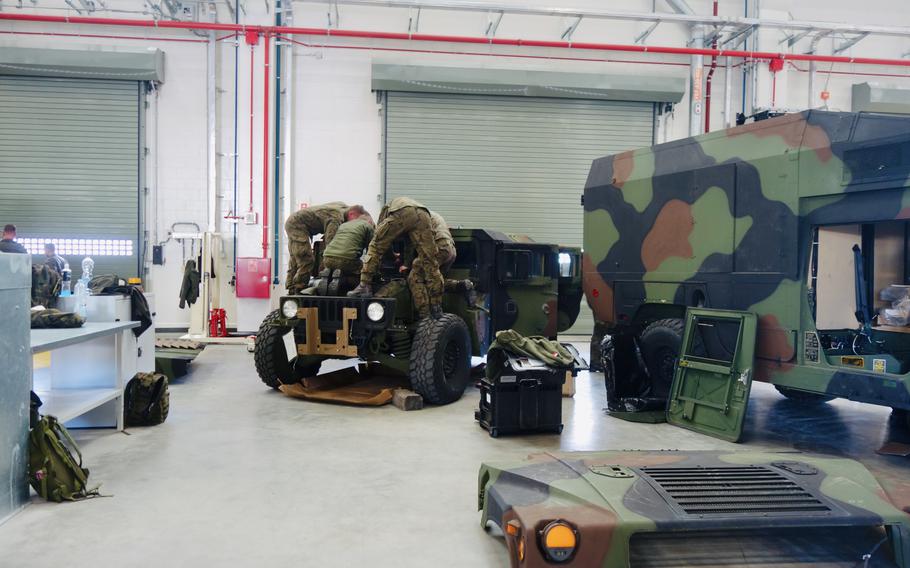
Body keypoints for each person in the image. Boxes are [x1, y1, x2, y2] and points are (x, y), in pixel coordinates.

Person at [348, 197, 443, 320]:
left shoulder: (386, 211)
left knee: (375, 246)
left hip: (402, 211)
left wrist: (391, 256)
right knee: (430, 262)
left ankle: (364, 285)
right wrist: (407, 264)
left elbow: (381, 243)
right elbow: (410, 244)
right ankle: (436, 305)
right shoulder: (415, 209)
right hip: (423, 214)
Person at [284, 202, 367, 294]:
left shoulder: (341, 207)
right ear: (352, 214)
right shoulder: (337, 217)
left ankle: (291, 285)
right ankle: (298, 287)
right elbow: (330, 243)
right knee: (306, 258)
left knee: (295, 258)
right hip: (297, 225)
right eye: (356, 221)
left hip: (294, 222)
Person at [322, 210, 375, 277]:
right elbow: (372, 248)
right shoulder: (367, 226)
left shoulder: (344, 225)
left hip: (327, 258)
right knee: (363, 268)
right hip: (346, 261)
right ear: (369, 220)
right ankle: (344, 279)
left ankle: (330, 274)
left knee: (338, 264)